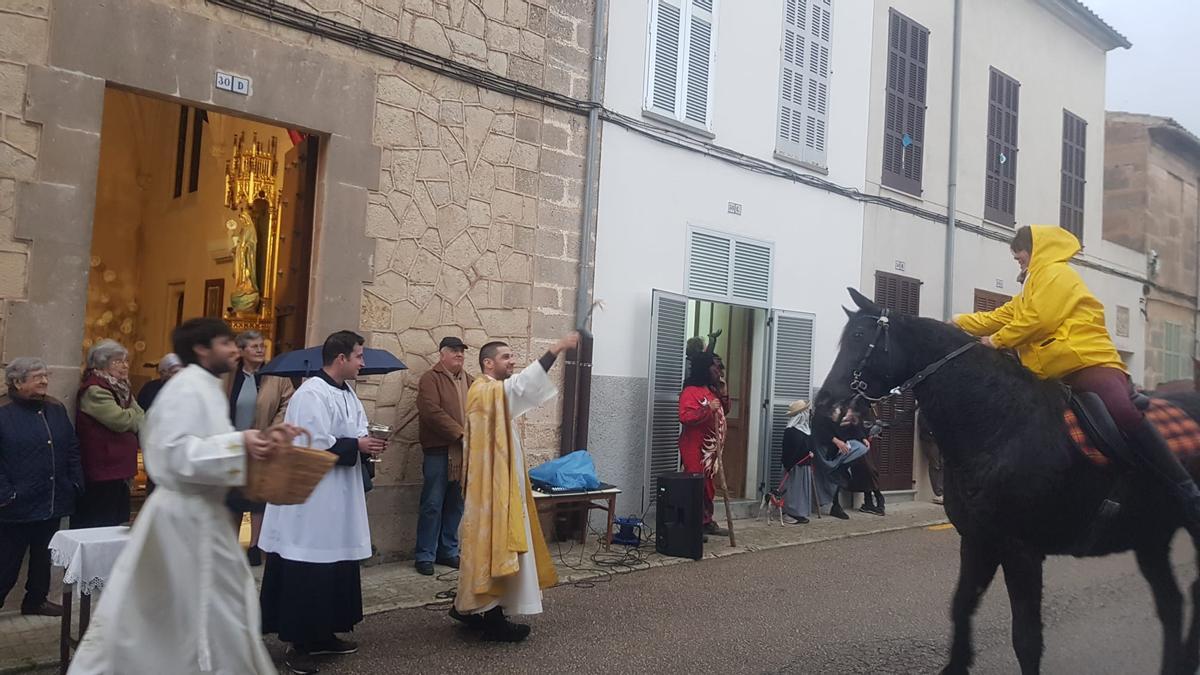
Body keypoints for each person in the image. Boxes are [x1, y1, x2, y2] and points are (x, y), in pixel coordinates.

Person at [67, 318, 282, 674]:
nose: (234, 350)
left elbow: (211, 448)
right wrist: (239, 442)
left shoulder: (207, 387)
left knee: (218, 609)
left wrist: (258, 443)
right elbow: (175, 454)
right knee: (170, 617)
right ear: (202, 349)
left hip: (202, 516)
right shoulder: (186, 389)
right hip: (181, 519)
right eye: (225, 343)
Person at [955, 224, 1200, 533]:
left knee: (1122, 410)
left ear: (1037, 249)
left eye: (1020, 252)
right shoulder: (1032, 285)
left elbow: (1039, 320)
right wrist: (955, 323)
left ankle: (1185, 488)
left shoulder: (1057, 274)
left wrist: (997, 341)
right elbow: (1002, 315)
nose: (1017, 257)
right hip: (1052, 371)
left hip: (1088, 362)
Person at [258, 330, 385, 675]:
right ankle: (299, 642)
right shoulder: (310, 394)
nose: (363, 363)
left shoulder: (348, 394)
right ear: (340, 358)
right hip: (310, 497)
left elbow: (354, 430)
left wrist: (367, 442)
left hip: (339, 495)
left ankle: (324, 631)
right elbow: (313, 443)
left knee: (335, 561)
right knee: (308, 562)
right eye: (359, 356)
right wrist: (355, 446)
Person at [452, 331, 578, 642]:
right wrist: (555, 348)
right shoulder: (484, 391)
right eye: (506, 357)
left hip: (497, 488)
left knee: (488, 550)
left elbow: (518, 391)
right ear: (488, 363)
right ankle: (493, 620)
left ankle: (466, 607)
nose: (513, 361)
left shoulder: (492, 391)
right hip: (491, 495)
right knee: (494, 548)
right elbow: (522, 385)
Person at [0, 358, 82, 617]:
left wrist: (74, 482)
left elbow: (71, 447)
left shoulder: (55, 408)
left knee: (43, 556)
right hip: (15, 504)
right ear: (17, 382)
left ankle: (36, 600)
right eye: (37, 376)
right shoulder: (3, 411)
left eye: (45, 375)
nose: (45, 381)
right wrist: (6, 494)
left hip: (52, 498)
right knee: (6, 563)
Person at [223, 330, 294, 567]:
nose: (260, 350)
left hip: (264, 444)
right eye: (254, 346)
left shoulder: (276, 375)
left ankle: (254, 546)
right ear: (241, 351)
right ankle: (232, 546)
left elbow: (287, 404)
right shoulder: (229, 376)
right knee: (233, 497)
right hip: (234, 444)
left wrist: (273, 432)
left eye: (262, 345)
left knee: (258, 498)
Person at [73, 339, 144, 529]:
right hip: (102, 470)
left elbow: (142, 417)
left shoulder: (122, 388)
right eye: (117, 361)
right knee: (100, 523)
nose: (124, 366)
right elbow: (120, 421)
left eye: (125, 361)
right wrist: (133, 416)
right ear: (102, 364)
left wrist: (133, 416)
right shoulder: (95, 390)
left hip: (118, 471)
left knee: (117, 522)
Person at [414, 336, 470, 576]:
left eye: (462, 351)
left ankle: (448, 551)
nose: (459, 355)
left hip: (464, 454)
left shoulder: (470, 381)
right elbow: (430, 411)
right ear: (442, 355)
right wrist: (460, 433)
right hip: (439, 451)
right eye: (454, 351)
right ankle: (425, 554)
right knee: (432, 504)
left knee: (456, 504)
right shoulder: (430, 378)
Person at [678, 352, 729, 537]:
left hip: (711, 452)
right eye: (715, 366)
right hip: (695, 449)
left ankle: (706, 521)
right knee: (695, 486)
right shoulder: (690, 392)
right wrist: (707, 409)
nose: (719, 370)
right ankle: (693, 524)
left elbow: (725, 411)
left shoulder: (711, 390)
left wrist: (723, 393)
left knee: (708, 487)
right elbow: (685, 417)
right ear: (705, 368)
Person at [780, 399, 814, 525]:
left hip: (804, 466)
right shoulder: (791, 431)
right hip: (794, 467)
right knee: (792, 491)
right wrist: (789, 465)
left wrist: (810, 453)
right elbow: (789, 450)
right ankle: (789, 513)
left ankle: (799, 513)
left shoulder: (806, 430)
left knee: (800, 492)